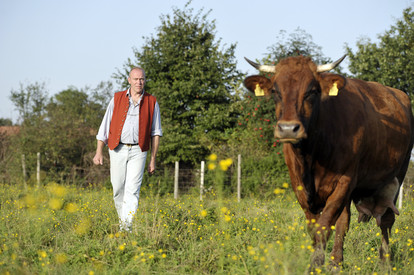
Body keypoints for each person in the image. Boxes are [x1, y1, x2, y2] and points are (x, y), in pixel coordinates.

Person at [93, 67, 162, 232]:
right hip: (117, 148)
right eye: (136, 79)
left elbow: (156, 132)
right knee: (118, 189)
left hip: (139, 150)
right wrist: (98, 151)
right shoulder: (117, 99)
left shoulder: (152, 101)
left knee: (132, 189)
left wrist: (153, 159)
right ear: (129, 80)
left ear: (145, 80)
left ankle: (126, 228)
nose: (139, 82)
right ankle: (123, 221)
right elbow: (105, 126)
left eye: (142, 79)